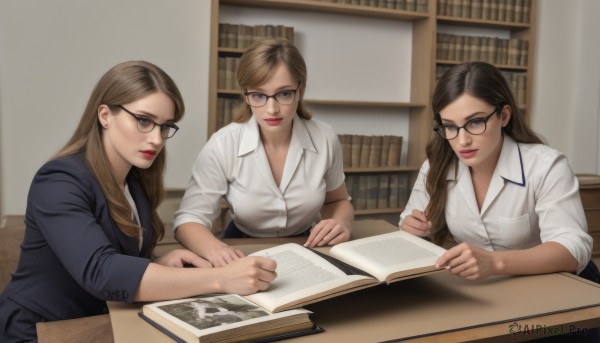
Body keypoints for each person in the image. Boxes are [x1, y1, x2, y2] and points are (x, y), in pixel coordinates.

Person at [0, 61, 277, 341]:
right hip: (40, 331)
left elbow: (115, 255)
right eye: (144, 121)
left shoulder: (135, 182)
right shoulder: (59, 180)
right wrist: (221, 279)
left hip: (103, 323)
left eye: (165, 126)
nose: (157, 139)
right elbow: (102, 271)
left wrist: (158, 262)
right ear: (105, 115)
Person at [399, 61, 598, 282]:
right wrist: (412, 226)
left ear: (503, 116)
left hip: (552, 284)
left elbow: (573, 247)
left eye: (475, 122)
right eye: (450, 126)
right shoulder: (436, 165)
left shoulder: (546, 165)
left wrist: (494, 263)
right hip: (485, 289)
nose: (462, 140)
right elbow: (409, 219)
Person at [174, 38, 354, 267]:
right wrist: (216, 250)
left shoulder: (325, 138)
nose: (272, 109)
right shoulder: (223, 144)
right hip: (241, 247)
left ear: (300, 90)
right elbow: (188, 219)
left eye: (284, 94)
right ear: (246, 95)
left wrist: (341, 223)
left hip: (307, 244)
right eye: (259, 95)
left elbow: (338, 200)